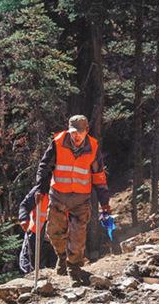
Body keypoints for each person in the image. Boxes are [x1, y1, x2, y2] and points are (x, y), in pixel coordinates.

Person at [34, 115, 111, 285]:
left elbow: (98, 176)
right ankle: (62, 256)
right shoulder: (57, 143)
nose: (76, 136)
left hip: (81, 200)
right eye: (73, 132)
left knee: (77, 236)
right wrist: (41, 189)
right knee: (54, 232)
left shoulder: (93, 147)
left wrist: (104, 202)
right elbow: (44, 167)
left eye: (80, 132)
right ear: (68, 130)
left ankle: (73, 268)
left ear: (87, 131)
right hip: (58, 195)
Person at [18, 186, 57, 274]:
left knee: (54, 266)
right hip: (35, 232)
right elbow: (24, 205)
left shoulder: (64, 192)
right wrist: (23, 219)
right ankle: (30, 280)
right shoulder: (40, 189)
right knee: (28, 262)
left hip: (56, 236)